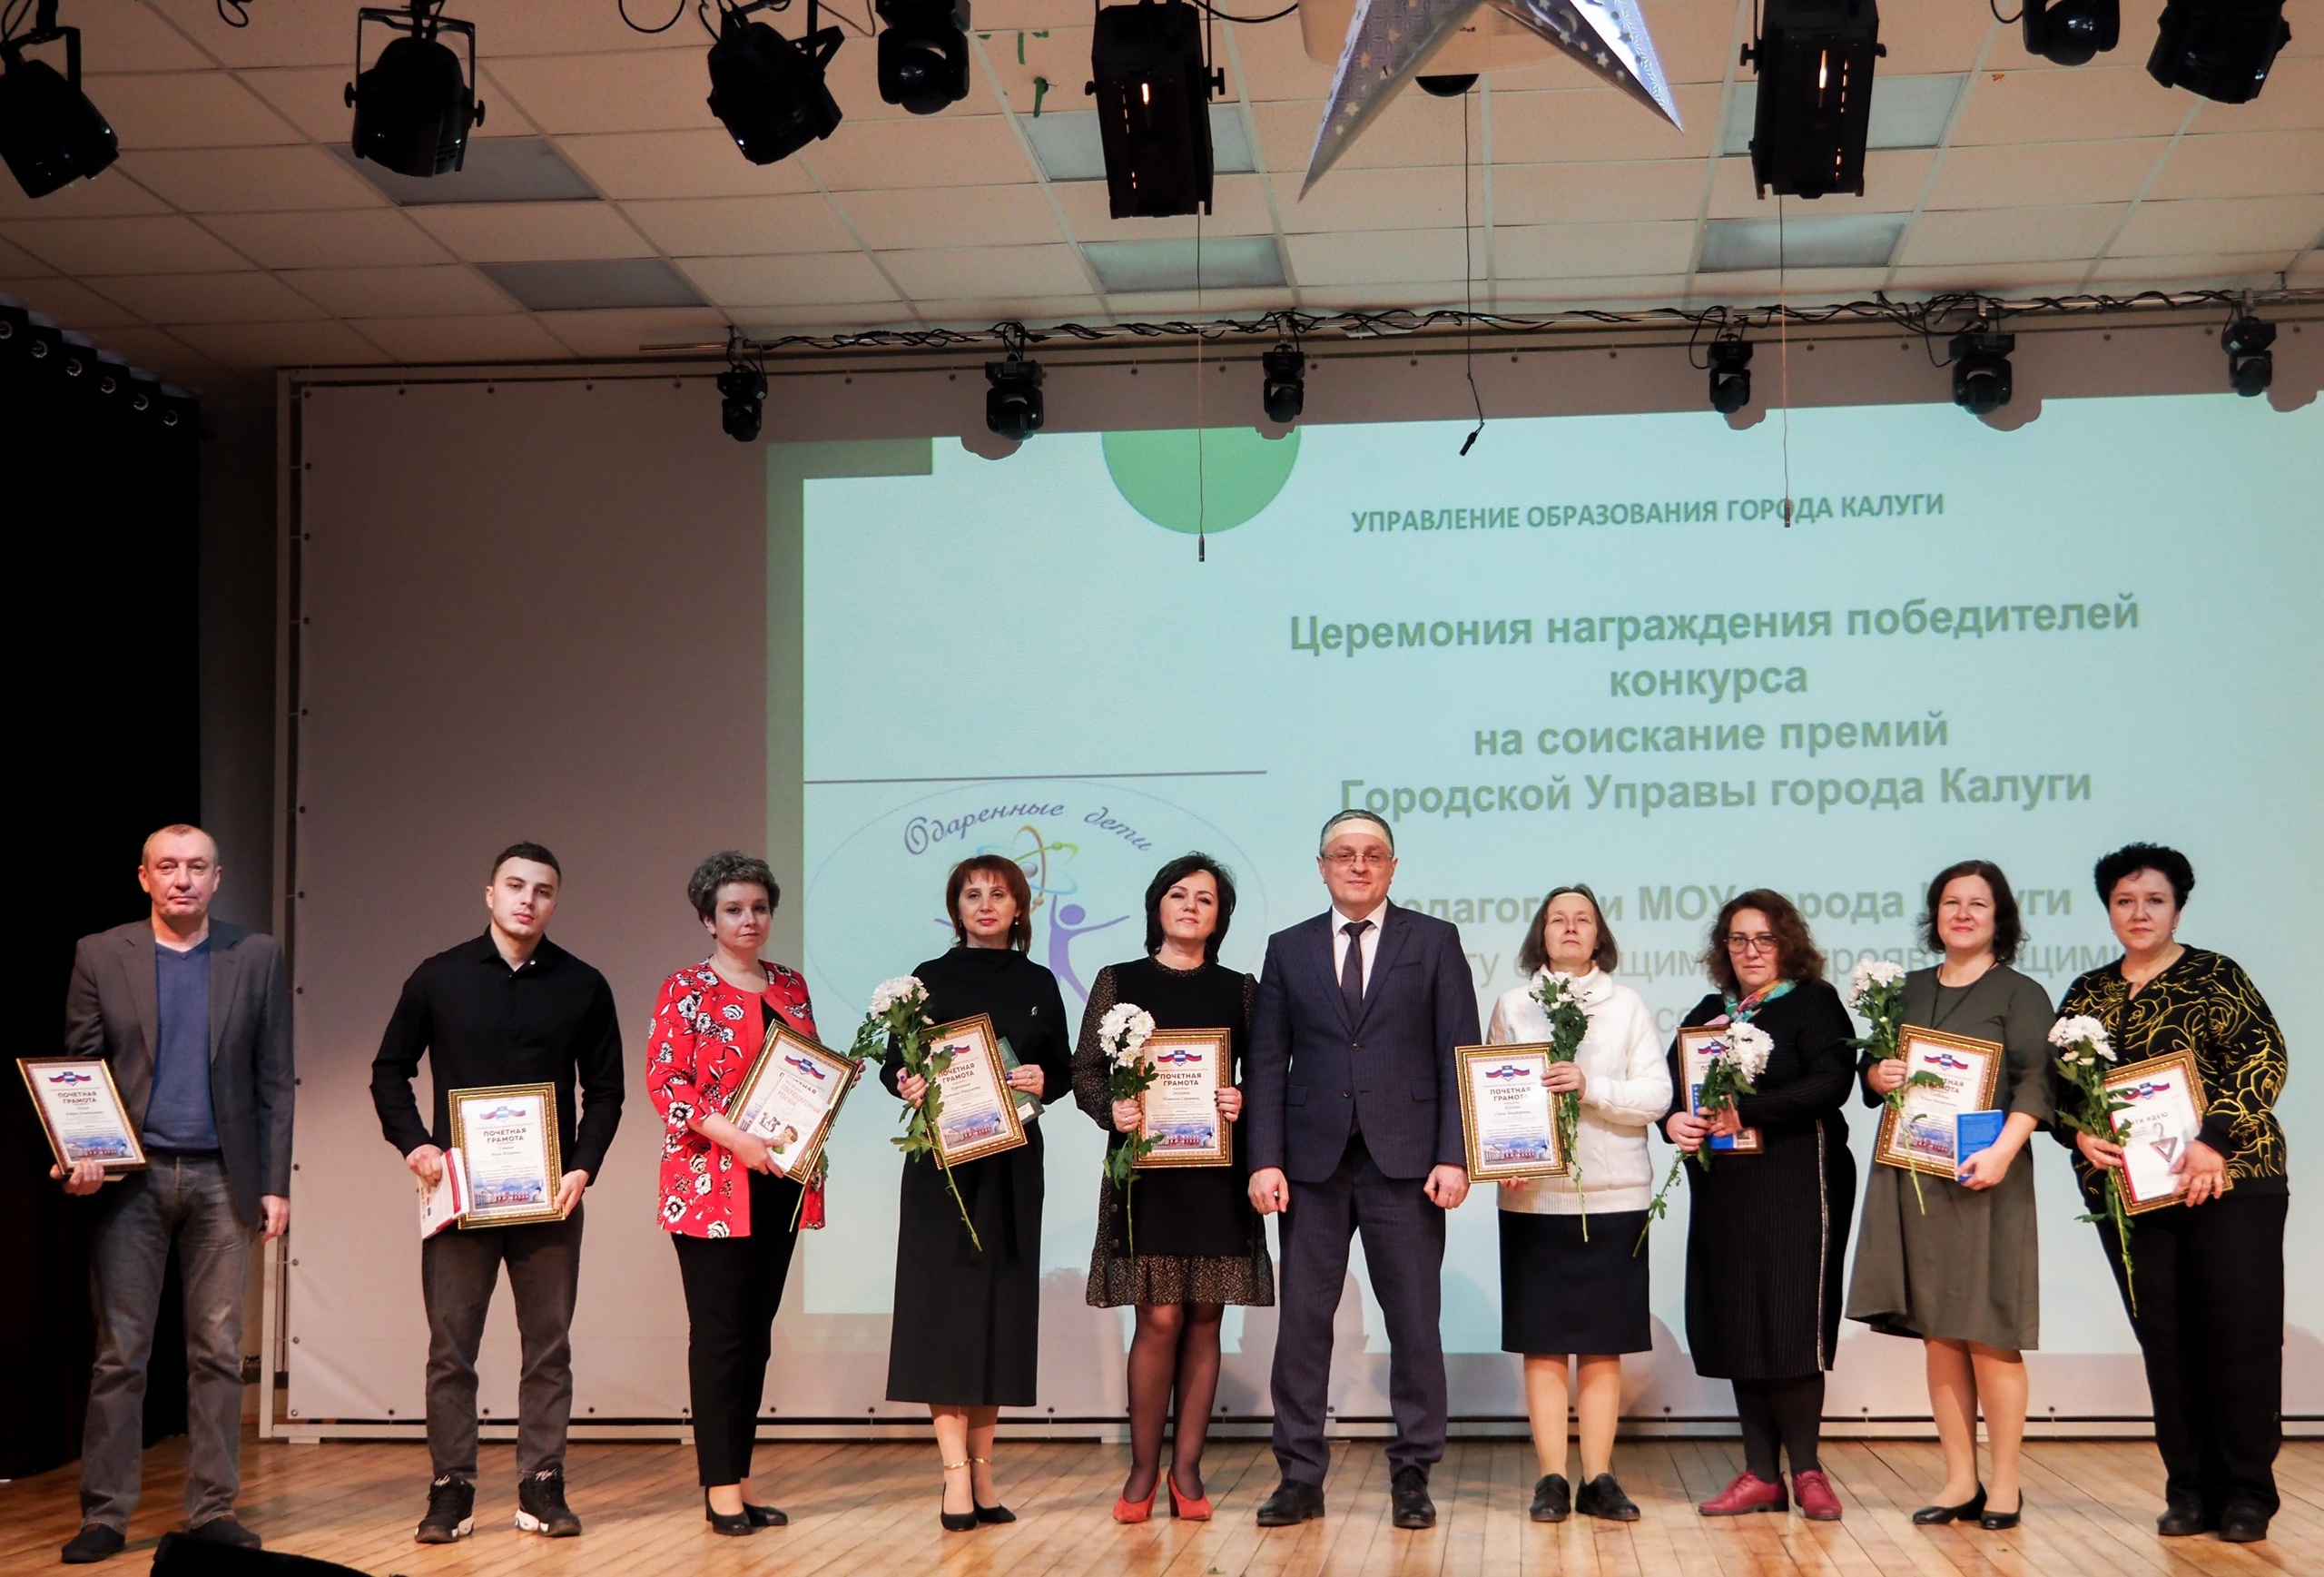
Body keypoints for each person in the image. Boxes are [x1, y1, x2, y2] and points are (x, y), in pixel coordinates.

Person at [370, 843, 624, 1545]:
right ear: (490, 893)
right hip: (460, 1196)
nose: (527, 900)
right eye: (515, 885)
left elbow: (606, 1090)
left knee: (548, 1346)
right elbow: (389, 1070)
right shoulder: (438, 976)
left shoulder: (584, 984)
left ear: (554, 901)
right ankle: (450, 1488)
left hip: (551, 1197)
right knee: (451, 1348)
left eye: (542, 890)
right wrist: (415, 1144)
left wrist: (583, 1167)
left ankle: (541, 1484)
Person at [56, 826, 293, 1565]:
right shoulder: (101, 953)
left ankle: (213, 1508)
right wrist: (78, 1153)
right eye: (167, 866)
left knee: (217, 1352)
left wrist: (275, 1184)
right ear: (144, 877)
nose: (182, 879)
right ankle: (104, 1514)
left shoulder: (256, 954)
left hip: (225, 1177)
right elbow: (79, 1070)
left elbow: (274, 1076)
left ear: (217, 878)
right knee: (120, 1354)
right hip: (133, 1178)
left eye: (196, 867)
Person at [1244, 809, 1478, 1531]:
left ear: (1392, 867)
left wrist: (1455, 1153)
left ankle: (1413, 1472)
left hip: (1407, 1164)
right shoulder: (1288, 947)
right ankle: (1299, 1475)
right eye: (1343, 854)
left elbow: (1458, 1053)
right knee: (1302, 1326)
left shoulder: (1434, 940)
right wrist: (1265, 1158)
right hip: (1310, 1168)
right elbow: (1267, 1063)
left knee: (1414, 1323)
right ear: (1322, 866)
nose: (1357, 865)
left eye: (1372, 854)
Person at [2054, 843, 2287, 1544]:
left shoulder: (2216, 975)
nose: (2139, 912)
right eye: (2124, 900)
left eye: (2154, 899)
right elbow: (2062, 1089)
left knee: (2239, 1338)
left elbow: (2264, 1057)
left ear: (2178, 907)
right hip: (2132, 1195)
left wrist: (2215, 1138)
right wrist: (2076, 1133)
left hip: (2228, 1181)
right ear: (2109, 910)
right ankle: (2187, 1490)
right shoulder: (2088, 993)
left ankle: (2247, 1493)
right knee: (2167, 1342)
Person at [1845, 861, 2054, 1532]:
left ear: (2000, 918)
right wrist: (1876, 1074)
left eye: (1978, 904)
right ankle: (1961, 1479)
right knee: (1939, 1332)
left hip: (1987, 1175)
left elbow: (2037, 1082)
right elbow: (1872, 1071)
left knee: (1989, 1333)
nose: (1962, 914)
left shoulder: (2020, 993)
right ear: (1934, 914)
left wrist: (2003, 1152)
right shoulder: (1904, 990)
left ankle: (2006, 1484)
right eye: (1950, 902)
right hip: (1914, 1174)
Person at [1071, 854, 1274, 1523]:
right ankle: (1142, 1471)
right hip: (1146, 1178)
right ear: (1157, 905)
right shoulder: (1119, 982)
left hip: (1218, 1174)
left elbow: (1266, 1074)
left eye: (1205, 899)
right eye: (1179, 894)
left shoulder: (1240, 989)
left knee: (1206, 1317)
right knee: (1158, 1316)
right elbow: (1085, 1071)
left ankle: (1187, 1470)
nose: (1191, 906)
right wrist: (1112, 1109)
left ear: (1220, 917)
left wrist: (1243, 1098)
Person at [882, 854, 1071, 1532]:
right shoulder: (926, 980)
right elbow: (896, 1065)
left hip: (1013, 1164)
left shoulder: (1038, 981)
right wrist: (905, 1082)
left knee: (999, 1314)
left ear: (1019, 908)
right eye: (972, 893)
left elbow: (1063, 1069)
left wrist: (1042, 1080)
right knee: (945, 1316)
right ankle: (954, 1477)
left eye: (999, 893)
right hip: (943, 1168)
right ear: (955, 907)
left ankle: (985, 1475)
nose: (985, 904)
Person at [645, 853, 823, 1535]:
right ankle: (720, 1489)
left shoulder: (791, 985)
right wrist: (738, 1140)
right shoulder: (685, 987)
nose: (749, 920)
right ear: (707, 919)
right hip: (711, 1183)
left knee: (755, 1338)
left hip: (780, 1182)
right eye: (733, 909)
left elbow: (806, 1070)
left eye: (759, 908)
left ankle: (741, 1479)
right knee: (720, 1338)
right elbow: (668, 1084)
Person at [1665, 890, 1855, 1522]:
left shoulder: (1814, 1001)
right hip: (1727, 1188)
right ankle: (1760, 1475)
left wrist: (1747, 1110)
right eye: (1739, 939)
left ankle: (1808, 1471)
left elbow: (1832, 1082)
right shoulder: (1708, 1012)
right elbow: (1675, 1089)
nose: (1751, 951)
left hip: (1800, 1180)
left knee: (1791, 1322)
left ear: (1787, 943)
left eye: (1765, 938)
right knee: (1742, 1320)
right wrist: (1673, 1122)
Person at [1485, 885, 1668, 1525]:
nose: (1569, 926)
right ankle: (1551, 1477)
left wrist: (1591, 1087)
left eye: (1582, 918)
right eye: (1557, 918)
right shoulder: (1514, 1004)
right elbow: (1492, 1096)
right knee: (1541, 1341)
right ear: (1541, 933)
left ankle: (1599, 1476)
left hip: (1614, 1194)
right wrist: (1502, 1155)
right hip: (1534, 1198)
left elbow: (1656, 1095)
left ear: (1598, 935)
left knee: (1601, 1343)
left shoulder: (1627, 1004)